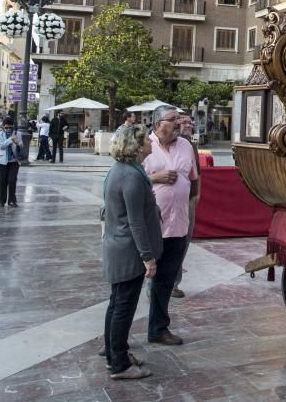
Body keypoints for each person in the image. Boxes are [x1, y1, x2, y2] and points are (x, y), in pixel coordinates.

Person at [103, 124, 160, 380]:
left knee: (117, 304)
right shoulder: (132, 176)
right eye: (147, 140)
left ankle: (116, 355)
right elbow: (135, 221)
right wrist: (147, 256)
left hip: (118, 245)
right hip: (128, 250)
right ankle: (119, 364)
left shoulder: (120, 171)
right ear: (137, 147)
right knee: (123, 307)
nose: (151, 143)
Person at [141, 105, 195, 346]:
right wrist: (155, 177)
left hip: (177, 225)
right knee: (131, 285)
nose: (178, 124)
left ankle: (158, 329)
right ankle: (115, 335)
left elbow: (193, 178)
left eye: (179, 119)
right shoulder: (143, 146)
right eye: (172, 120)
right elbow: (127, 178)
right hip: (150, 227)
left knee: (165, 282)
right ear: (157, 124)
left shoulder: (186, 146)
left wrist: (192, 201)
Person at [172, 113, 201, 298]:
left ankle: (174, 282)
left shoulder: (191, 145)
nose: (188, 125)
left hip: (188, 199)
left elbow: (197, 172)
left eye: (190, 122)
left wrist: (198, 194)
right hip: (168, 201)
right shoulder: (167, 143)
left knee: (184, 240)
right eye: (184, 122)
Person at [0, 117, 23, 207]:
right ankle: (2, 201)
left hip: (14, 161)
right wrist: (10, 139)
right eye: (6, 127)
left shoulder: (18, 133)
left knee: (12, 180)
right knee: (2, 181)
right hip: (1, 162)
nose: (8, 129)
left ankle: (12, 200)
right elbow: (1, 146)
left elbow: (21, 145)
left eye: (10, 127)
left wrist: (17, 142)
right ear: (3, 127)